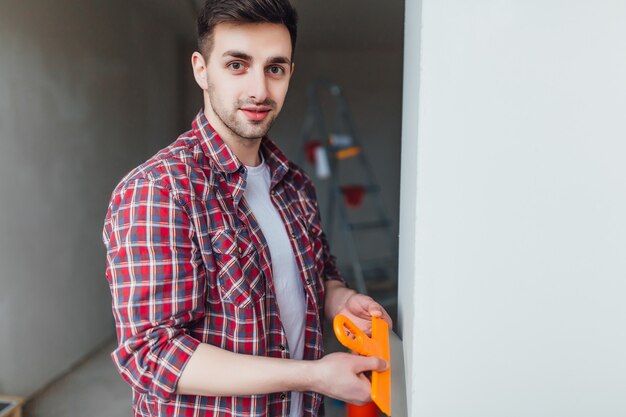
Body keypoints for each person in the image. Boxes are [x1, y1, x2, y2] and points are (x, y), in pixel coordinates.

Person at [102, 0, 392, 416]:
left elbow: (319, 277)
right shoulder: (160, 189)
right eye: (237, 65)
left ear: (290, 72)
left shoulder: (294, 185)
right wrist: (313, 375)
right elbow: (152, 354)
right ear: (202, 69)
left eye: (274, 68)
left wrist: (341, 299)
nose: (259, 90)